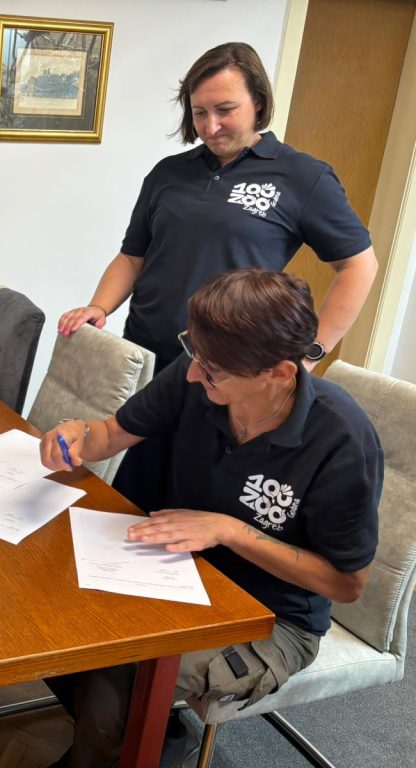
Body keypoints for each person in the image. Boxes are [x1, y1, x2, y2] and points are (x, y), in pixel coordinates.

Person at [39, 268, 382, 768]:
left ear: (279, 373)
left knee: (120, 668)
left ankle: (123, 746)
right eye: (193, 352)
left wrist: (230, 530)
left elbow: (346, 583)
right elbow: (111, 433)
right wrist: (74, 432)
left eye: (214, 371)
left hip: (273, 618)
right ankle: (150, 741)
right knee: (51, 611)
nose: (194, 375)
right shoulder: (199, 371)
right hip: (180, 573)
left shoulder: (340, 439)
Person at [56, 41, 378, 512]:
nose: (210, 126)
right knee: (131, 498)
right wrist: (99, 306)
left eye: (225, 110)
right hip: (151, 360)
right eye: (199, 112)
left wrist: (310, 353)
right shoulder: (169, 173)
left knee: (198, 507)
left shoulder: (302, 177)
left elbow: (359, 265)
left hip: (228, 372)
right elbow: (132, 256)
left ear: (259, 103)